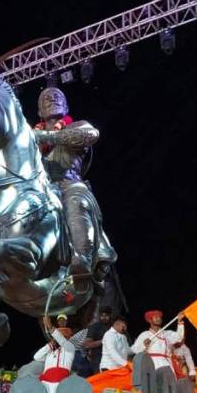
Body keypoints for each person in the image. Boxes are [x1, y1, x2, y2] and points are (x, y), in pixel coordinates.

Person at [32, 86, 116, 282]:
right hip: (38, 188)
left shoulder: (77, 126)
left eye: (57, 96)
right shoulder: (30, 136)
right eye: (46, 98)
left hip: (68, 182)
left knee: (76, 200)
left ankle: (82, 261)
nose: (52, 98)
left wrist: (46, 136)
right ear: (39, 112)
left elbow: (91, 134)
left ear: (67, 106)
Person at [33, 314, 76, 393]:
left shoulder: (70, 348)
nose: (59, 339)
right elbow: (36, 357)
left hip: (61, 382)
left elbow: (62, 341)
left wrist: (50, 326)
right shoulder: (50, 350)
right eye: (57, 337)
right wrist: (50, 344)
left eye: (64, 336)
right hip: (46, 381)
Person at [131, 310, 186, 376]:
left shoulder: (167, 333)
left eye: (159, 317)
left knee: (170, 384)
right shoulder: (145, 334)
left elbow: (179, 338)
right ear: (150, 320)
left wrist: (179, 322)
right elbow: (134, 349)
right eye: (156, 317)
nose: (158, 319)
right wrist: (143, 345)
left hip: (167, 364)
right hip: (152, 364)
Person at [75, 307, 112, 377]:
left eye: (106, 315)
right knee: (101, 380)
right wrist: (103, 341)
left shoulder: (113, 327)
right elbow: (87, 345)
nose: (104, 317)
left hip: (112, 359)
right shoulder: (94, 327)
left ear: (110, 316)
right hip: (98, 360)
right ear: (99, 316)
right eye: (102, 315)